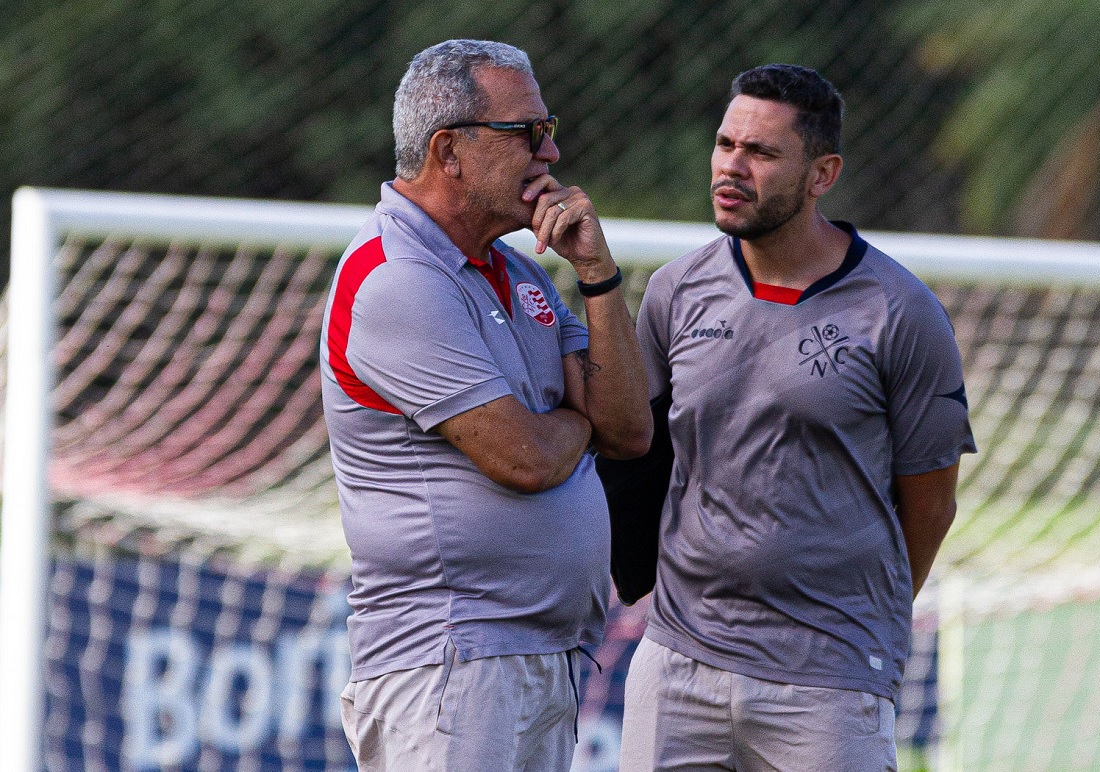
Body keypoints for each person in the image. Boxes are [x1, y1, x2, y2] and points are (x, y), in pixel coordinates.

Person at [619, 64, 976, 771]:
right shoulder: (674, 291)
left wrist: (854, 624)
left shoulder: (901, 313)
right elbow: (636, 450)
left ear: (822, 174)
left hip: (829, 679)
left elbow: (930, 506)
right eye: (726, 145)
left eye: (762, 153)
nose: (732, 167)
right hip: (680, 661)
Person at [319, 39, 651, 772]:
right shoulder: (394, 276)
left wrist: (596, 276)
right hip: (451, 664)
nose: (552, 150)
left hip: (540, 657)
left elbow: (626, 429)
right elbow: (524, 460)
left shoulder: (517, 271)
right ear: (450, 151)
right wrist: (575, 422)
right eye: (528, 131)